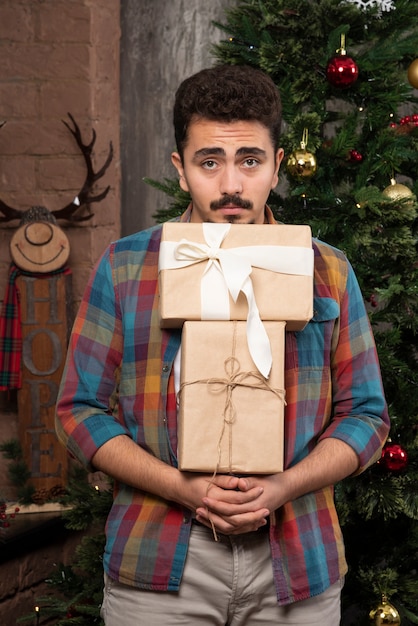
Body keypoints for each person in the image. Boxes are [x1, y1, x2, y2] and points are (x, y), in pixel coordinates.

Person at [55, 64, 390, 626]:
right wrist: (183, 489)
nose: (231, 184)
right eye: (209, 161)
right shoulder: (125, 265)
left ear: (277, 165)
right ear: (180, 170)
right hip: (160, 561)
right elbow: (78, 411)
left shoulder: (327, 268)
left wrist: (283, 486)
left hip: (296, 558)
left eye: (249, 160)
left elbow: (367, 416)